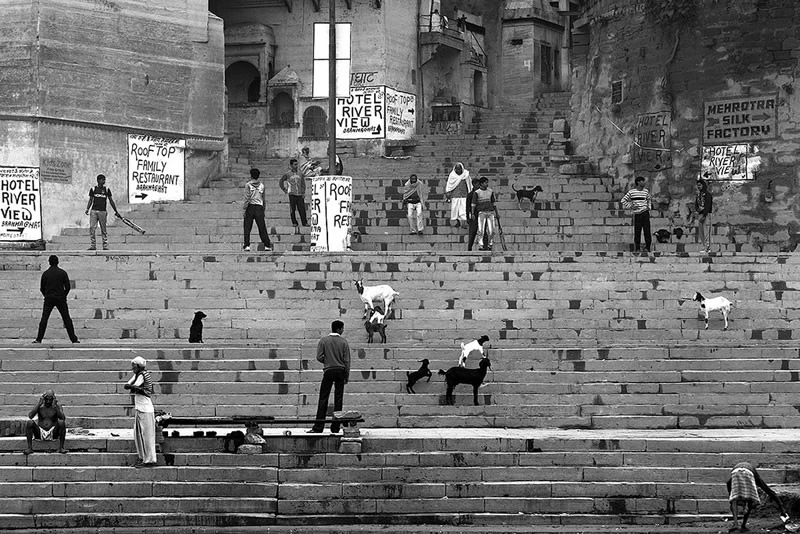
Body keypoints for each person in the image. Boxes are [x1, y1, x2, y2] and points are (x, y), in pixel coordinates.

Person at [308, 320, 351, 434]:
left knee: (323, 398)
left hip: (328, 371)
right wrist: (346, 374)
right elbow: (347, 360)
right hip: (340, 371)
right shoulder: (344, 342)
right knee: (338, 398)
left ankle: (318, 426)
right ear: (338, 329)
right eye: (342, 328)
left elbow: (319, 356)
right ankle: (335, 426)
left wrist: (327, 361)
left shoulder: (323, 341)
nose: (343, 330)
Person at [726, 461, 787, 531]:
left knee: (733, 500)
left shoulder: (731, 481)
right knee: (750, 500)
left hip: (735, 473)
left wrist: (731, 496)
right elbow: (769, 492)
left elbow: (729, 486)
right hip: (748, 472)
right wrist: (782, 509)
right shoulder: (755, 477)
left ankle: (736, 524)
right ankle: (743, 526)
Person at [33, 255, 79, 344]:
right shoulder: (62, 273)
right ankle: (74, 339)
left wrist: (47, 295)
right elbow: (68, 287)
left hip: (49, 298)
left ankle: (39, 339)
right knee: (66, 318)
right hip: (60, 298)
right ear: (57, 262)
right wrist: (63, 295)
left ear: (49, 262)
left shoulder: (45, 274)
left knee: (44, 319)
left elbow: (42, 288)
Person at [124, 356, 157, 467]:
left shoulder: (143, 375)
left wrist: (132, 387)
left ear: (138, 366)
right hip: (140, 408)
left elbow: (134, 386)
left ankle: (149, 460)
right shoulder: (137, 374)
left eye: (133, 366)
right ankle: (143, 457)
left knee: (147, 436)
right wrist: (131, 386)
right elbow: (128, 385)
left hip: (145, 409)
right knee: (139, 435)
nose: (132, 368)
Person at [24, 390, 67, 455]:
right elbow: (30, 416)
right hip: (40, 432)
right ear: (44, 399)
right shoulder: (39, 406)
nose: (48, 401)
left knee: (61, 423)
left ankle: (61, 447)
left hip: (53, 432)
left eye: (50, 400)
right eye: (47, 399)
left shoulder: (57, 406)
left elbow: (63, 418)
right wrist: (39, 404)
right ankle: (29, 448)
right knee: (30, 422)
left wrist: (55, 406)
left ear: (53, 399)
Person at [84, 174, 120, 251]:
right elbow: (91, 200)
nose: (103, 181)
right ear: (98, 180)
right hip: (94, 211)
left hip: (103, 211)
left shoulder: (107, 190)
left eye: (104, 180)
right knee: (92, 228)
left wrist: (116, 211)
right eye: (102, 180)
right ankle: (93, 245)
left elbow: (111, 200)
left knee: (103, 229)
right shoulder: (93, 189)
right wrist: (87, 208)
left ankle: (105, 245)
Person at [242, 168, 273, 252]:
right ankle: (267, 245)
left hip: (250, 207)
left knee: (247, 227)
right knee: (262, 227)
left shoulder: (248, 185)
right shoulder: (262, 185)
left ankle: (246, 245)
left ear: (251, 175)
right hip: (259, 207)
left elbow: (247, 198)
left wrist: (244, 209)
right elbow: (263, 198)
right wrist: (263, 209)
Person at [621, 176, 652, 252]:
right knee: (637, 231)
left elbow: (649, 199)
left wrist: (649, 207)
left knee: (647, 230)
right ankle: (637, 248)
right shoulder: (632, 192)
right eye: (642, 181)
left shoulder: (646, 191)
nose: (644, 182)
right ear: (638, 182)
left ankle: (648, 247)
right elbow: (623, 200)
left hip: (645, 212)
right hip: (637, 214)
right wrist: (631, 206)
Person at [279, 158, 308, 227]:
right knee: (293, 209)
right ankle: (294, 222)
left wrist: (303, 192)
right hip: (292, 194)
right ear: (291, 165)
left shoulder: (300, 173)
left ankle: (304, 222)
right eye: (295, 164)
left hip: (300, 194)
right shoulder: (288, 174)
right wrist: (284, 189)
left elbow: (303, 184)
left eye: (297, 164)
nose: (296, 166)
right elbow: (281, 181)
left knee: (302, 209)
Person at [473, 177, 497, 251]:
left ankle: (490, 244)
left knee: (491, 230)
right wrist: (472, 214)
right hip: (481, 212)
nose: (487, 184)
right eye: (485, 183)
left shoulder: (490, 191)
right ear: (481, 184)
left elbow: (493, 203)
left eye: (487, 182)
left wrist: (497, 213)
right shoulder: (477, 192)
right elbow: (473, 204)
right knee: (481, 230)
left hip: (490, 212)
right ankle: (481, 245)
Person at [445, 162, 471, 228]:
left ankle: (463, 223)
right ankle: (457, 222)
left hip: (464, 195)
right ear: (455, 169)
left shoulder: (466, 174)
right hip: (455, 195)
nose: (458, 171)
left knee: (463, 210)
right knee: (455, 210)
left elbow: (469, 184)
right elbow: (449, 185)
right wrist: (448, 193)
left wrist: (470, 193)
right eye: (457, 169)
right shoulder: (452, 175)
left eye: (459, 169)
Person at [695, 178, 713, 254]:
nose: (698, 187)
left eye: (700, 185)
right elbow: (696, 204)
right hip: (700, 214)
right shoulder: (698, 195)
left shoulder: (707, 195)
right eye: (697, 185)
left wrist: (704, 215)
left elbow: (708, 206)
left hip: (706, 214)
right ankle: (704, 246)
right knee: (701, 232)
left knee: (706, 231)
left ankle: (708, 247)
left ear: (703, 185)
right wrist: (698, 210)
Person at [465, 177, 481, 251]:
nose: (479, 186)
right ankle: (469, 247)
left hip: (481, 214)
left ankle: (484, 246)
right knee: (472, 232)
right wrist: (467, 217)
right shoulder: (470, 194)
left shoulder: (481, 193)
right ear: (474, 184)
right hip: (474, 215)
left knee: (483, 232)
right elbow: (467, 206)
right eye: (477, 184)